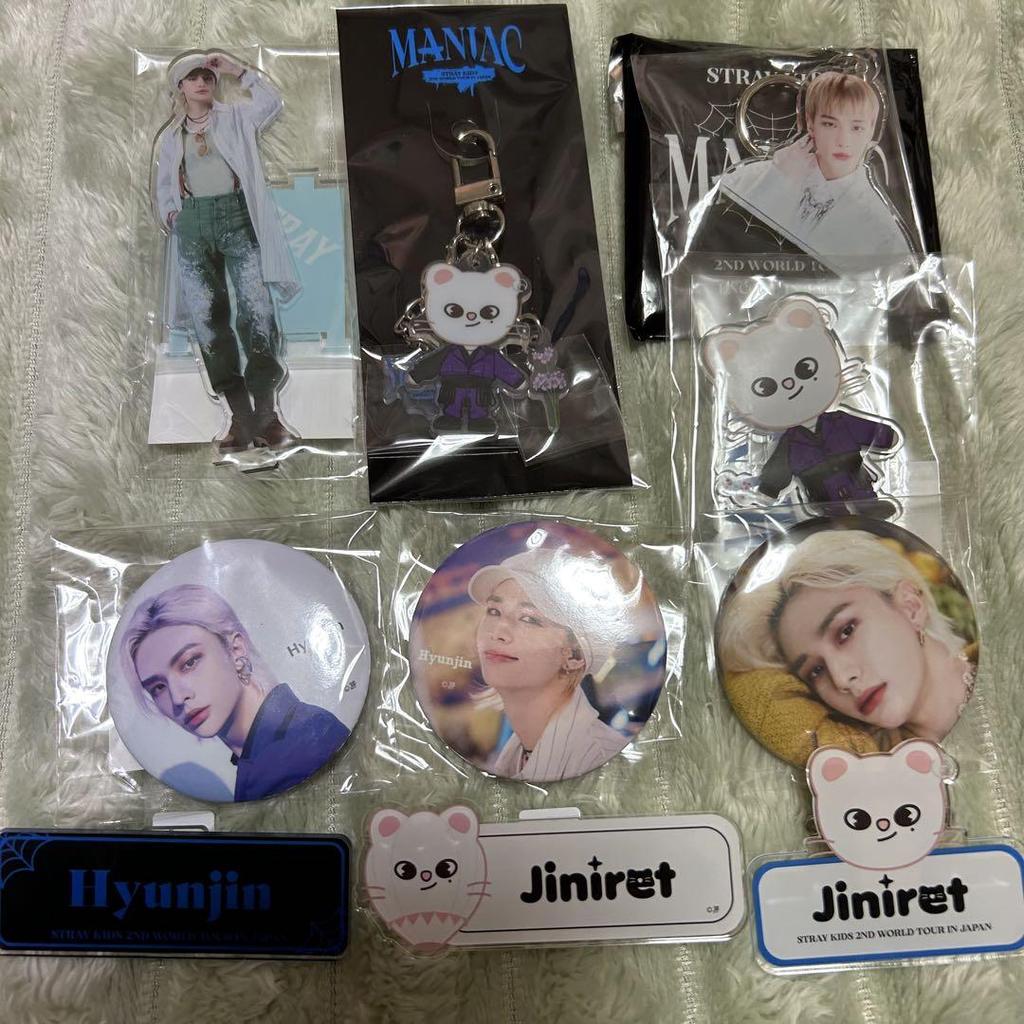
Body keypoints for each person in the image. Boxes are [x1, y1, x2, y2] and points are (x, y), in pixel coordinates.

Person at [718, 529, 976, 767]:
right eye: (815, 671)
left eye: (846, 631)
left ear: (911, 606)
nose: (841, 679)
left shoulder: (999, 674)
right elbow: (748, 690)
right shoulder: (860, 760)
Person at [152, 51, 300, 453]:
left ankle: (267, 414)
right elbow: (164, 183)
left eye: (207, 76)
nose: (202, 82)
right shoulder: (172, 136)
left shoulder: (235, 118)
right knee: (207, 317)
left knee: (256, 307)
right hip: (193, 223)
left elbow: (270, 102)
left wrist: (238, 70)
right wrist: (172, 215)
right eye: (193, 77)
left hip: (236, 216)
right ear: (180, 87)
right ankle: (239, 416)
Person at [120, 583, 348, 801]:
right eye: (158, 687)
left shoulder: (296, 751)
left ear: (235, 649)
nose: (178, 698)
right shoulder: (261, 756)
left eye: (189, 662)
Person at [719, 71, 913, 271]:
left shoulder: (884, 234)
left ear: (871, 130)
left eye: (856, 128)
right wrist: (779, 181)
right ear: (810, 123)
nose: (843, 141)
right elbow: (722, 236)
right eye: (830, 124)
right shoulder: (748, 178)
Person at [466, 548, 629, 782]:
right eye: (494, 611)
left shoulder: (602, 762)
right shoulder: (515, 755)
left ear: (574, 655)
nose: (498, 631)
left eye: (529, 618)